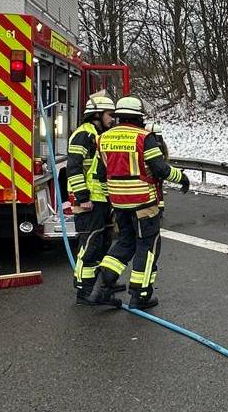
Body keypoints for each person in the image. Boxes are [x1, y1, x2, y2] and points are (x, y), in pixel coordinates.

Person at [88, 96, 190, 310]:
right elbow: (161, 168)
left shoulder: (103, 138)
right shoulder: (144, 137)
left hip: (118, 202)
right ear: (138, 117)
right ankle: (140, 295)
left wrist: (110, 198)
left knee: (125, 242)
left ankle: (102, 289)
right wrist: (182, 178)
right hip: (143, 202)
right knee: (148, 245)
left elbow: (100, 173)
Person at [67, 93, 116, 303]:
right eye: (109, 114)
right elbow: (74, 168)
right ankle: (84, 290)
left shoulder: (98, 135)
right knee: (90, 245)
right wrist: (82, 196)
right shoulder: (83, 135)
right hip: (89, 201)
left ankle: (97, 285)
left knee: (102, 243)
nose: (112, 119)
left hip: (101, 199)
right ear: (96, 114)